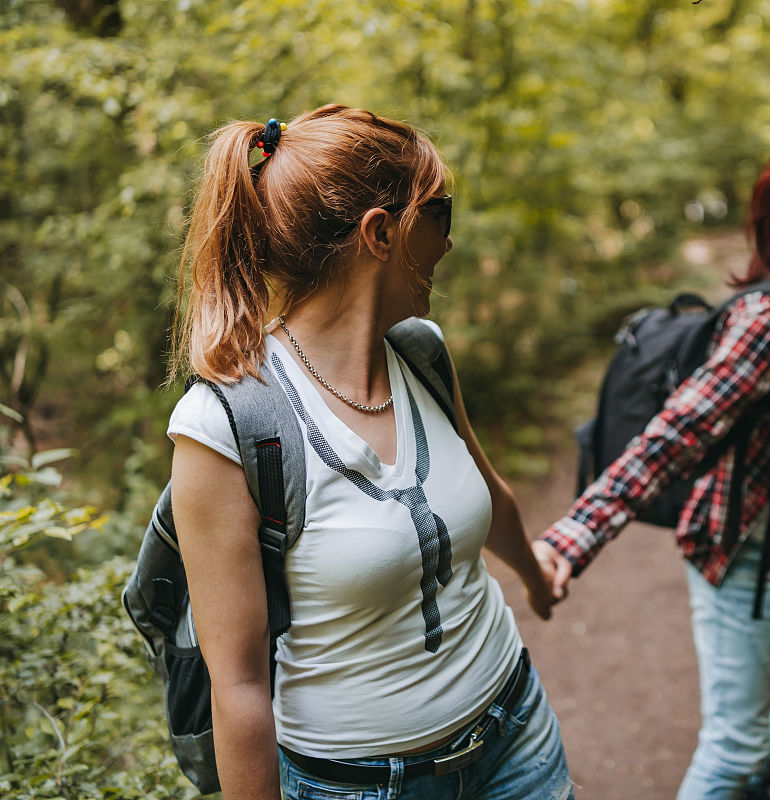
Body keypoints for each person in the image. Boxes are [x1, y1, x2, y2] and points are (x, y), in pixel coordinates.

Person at [167, 105, 574, 800]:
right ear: (381, 232)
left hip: (516, 737)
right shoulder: (224, 428)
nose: (449, 240)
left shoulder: (421, 352)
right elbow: (236, 688)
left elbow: (485, 486)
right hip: (359, 785)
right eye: (439, 212)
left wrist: (537, 576)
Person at [534, 136, 770, 800]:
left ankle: (752, 782)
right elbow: (672, 437)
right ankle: (741, 780)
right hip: (743, 556)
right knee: (731, 748)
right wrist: (569, 540)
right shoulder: (768, 321)